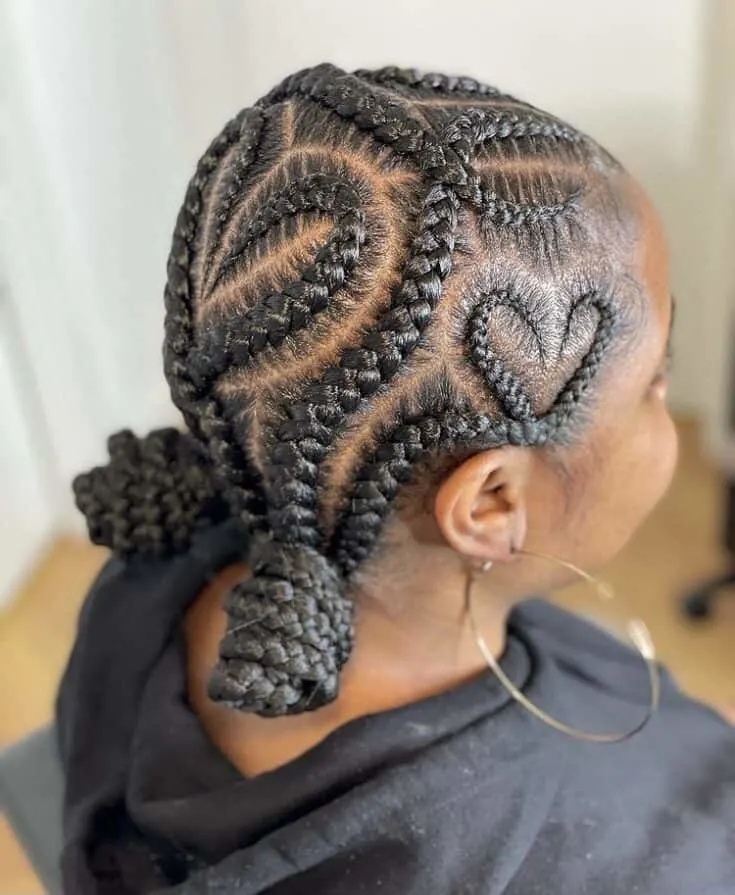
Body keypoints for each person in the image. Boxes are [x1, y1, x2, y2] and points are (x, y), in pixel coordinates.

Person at [57, 64, 735, 894]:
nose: (667, 402)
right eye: (653, 383)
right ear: (491, 503)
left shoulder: (140, 580)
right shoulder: (639, 851)